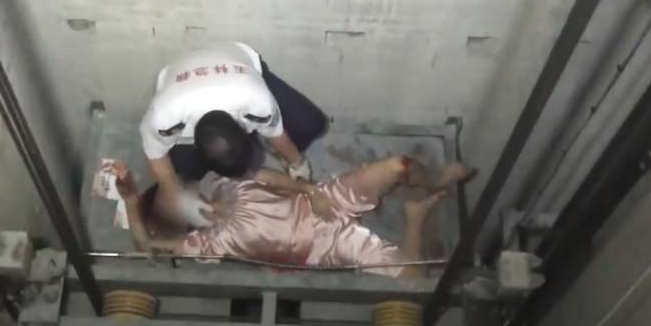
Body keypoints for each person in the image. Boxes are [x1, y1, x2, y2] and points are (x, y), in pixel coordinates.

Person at [108, 156, 476, 279]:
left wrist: (311, 190)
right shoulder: (207, 244)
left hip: (326, 200)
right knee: (415, 277)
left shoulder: (224, 181)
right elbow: (145, 244)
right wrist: (129, 201)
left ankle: (433, 180)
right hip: (326, 248)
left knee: (398, 166)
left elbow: (271, 178)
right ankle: (414, 217)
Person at [139, 42, 328, 228]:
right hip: (178, 78)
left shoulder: (258, 101)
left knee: (310, 125)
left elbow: (278, 135)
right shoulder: (164, 118)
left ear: (245, 130)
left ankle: (269, 149)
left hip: (240, 67)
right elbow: (155, 157)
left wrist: (298, 165)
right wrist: (178, 197)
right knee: (181, 175)